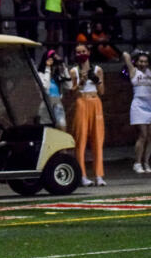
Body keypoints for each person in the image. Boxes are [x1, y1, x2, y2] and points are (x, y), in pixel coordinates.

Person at [69, 43, 106, 187]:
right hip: (82, 102)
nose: (81, 54)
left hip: (95, 101)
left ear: (89, 52)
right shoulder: (74, 71)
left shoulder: (97, 69)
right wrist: (80, 82)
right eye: (78, 52)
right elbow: (72, 92)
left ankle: (98, 175)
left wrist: (97, 80)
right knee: (81, 139)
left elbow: (102, 91)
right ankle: (82, 175)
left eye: (83, 51)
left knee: (98, 139)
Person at [122, 51, 151, 174]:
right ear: (136, 62)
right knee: (142, 134)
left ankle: (146, 162)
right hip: (138, 105)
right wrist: (137, 53)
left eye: (145, 61)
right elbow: (125, 55)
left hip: (150, 105)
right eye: (141, 61)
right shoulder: (133, 71)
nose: (143, 63)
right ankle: (137, 163)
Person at [37, 50, 69, 130]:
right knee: (47, 129)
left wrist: (64, 67)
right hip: (47, 103)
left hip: (57, 103)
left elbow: (69, 86)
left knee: (62, 127)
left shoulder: (57, 76)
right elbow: (45, 87)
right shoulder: (41, 74)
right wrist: (48, 68)